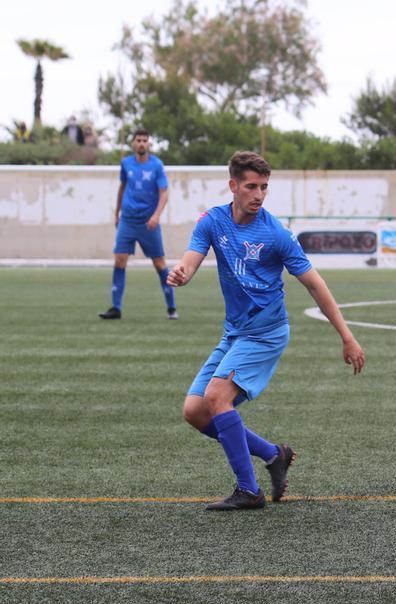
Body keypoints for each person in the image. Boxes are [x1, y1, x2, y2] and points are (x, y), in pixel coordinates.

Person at [166, 151, 365, 511]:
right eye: (251, 186)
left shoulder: (276, 235)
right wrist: (180, 273)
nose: (258, 195)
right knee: (195, 411)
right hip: (235, 333)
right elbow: (190, 262)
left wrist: (347, 336)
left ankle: (249, 490)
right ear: (233, 186)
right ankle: (275, 455)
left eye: (264, 187)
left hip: (267, 333)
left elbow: (316, 286)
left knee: (216, 397)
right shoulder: (212, 221)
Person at [99, 129, 175, 320]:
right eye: (138, 140)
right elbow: (122, 187)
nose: (141, 143)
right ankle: (115, 308)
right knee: (119, 259)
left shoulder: (156, 165)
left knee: (159, 264)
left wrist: (156, 216)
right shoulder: (126, 163)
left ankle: (171, 307)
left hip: (148, 222)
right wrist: (117, 213)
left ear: (149, 144)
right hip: (128, 220)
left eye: (144, 140)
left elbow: (164, 193)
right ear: (133, 144)